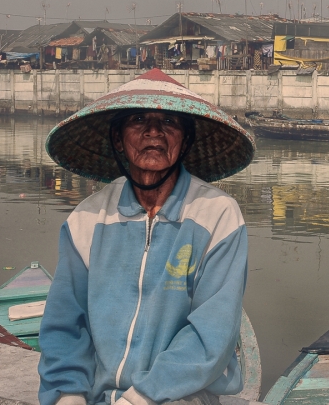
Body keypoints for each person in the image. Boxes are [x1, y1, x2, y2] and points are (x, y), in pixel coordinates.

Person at [38, 68, 256, 405]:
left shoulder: (218, 216)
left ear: (185, 139)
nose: (153, 132)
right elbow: (66, 324)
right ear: (118, 139)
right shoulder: (87, 218)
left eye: (169, 122)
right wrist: (68, 395)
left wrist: (140, 397)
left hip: (181, 397)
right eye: (138, 119)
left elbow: (212, 332)